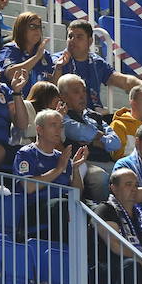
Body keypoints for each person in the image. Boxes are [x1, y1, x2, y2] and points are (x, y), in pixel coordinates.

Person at [14, 109, 86, 239]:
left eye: (61, 126)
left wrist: (75, 169)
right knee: (63, 205)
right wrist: (58, 170)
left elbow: (77, 194)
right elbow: (28, 187)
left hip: (59, 209)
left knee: (88, 208)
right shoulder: (26, 153)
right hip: (32, 209)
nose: (58, 130)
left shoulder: (62, 157)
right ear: (40, 130)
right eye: (53, 125)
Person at [55, 72, 120, 200]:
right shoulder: (61, 116)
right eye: (76, 92)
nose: (82, 96)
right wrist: (100, 136)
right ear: (63, 97)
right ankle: (102, 215)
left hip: (106, 161)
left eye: (84, 91)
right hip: (83, 163)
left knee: (129, 173)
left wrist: (95, 140)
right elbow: (77, 131)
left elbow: (116, 143)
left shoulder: (94, 115)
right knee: (100, 178)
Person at [52, 19, 140, 114]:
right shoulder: (57, 60)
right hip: (69, 116)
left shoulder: (97, 62)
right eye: (70, 36)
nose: (73, 40)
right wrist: (59, 68)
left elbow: (124, 80)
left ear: (90, 41)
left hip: (96, 116)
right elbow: (52, 92)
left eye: (79, 37)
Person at [0, 11, 55, 97]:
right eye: (32, 26)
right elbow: (10, 74)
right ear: (21, 29)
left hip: (40, 105)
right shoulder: (10, 50)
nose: (37, 30)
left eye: (39, 27)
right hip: (15, 102)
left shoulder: (44, 54)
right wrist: (36, 57)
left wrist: (59, 68)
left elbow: (52, 84)